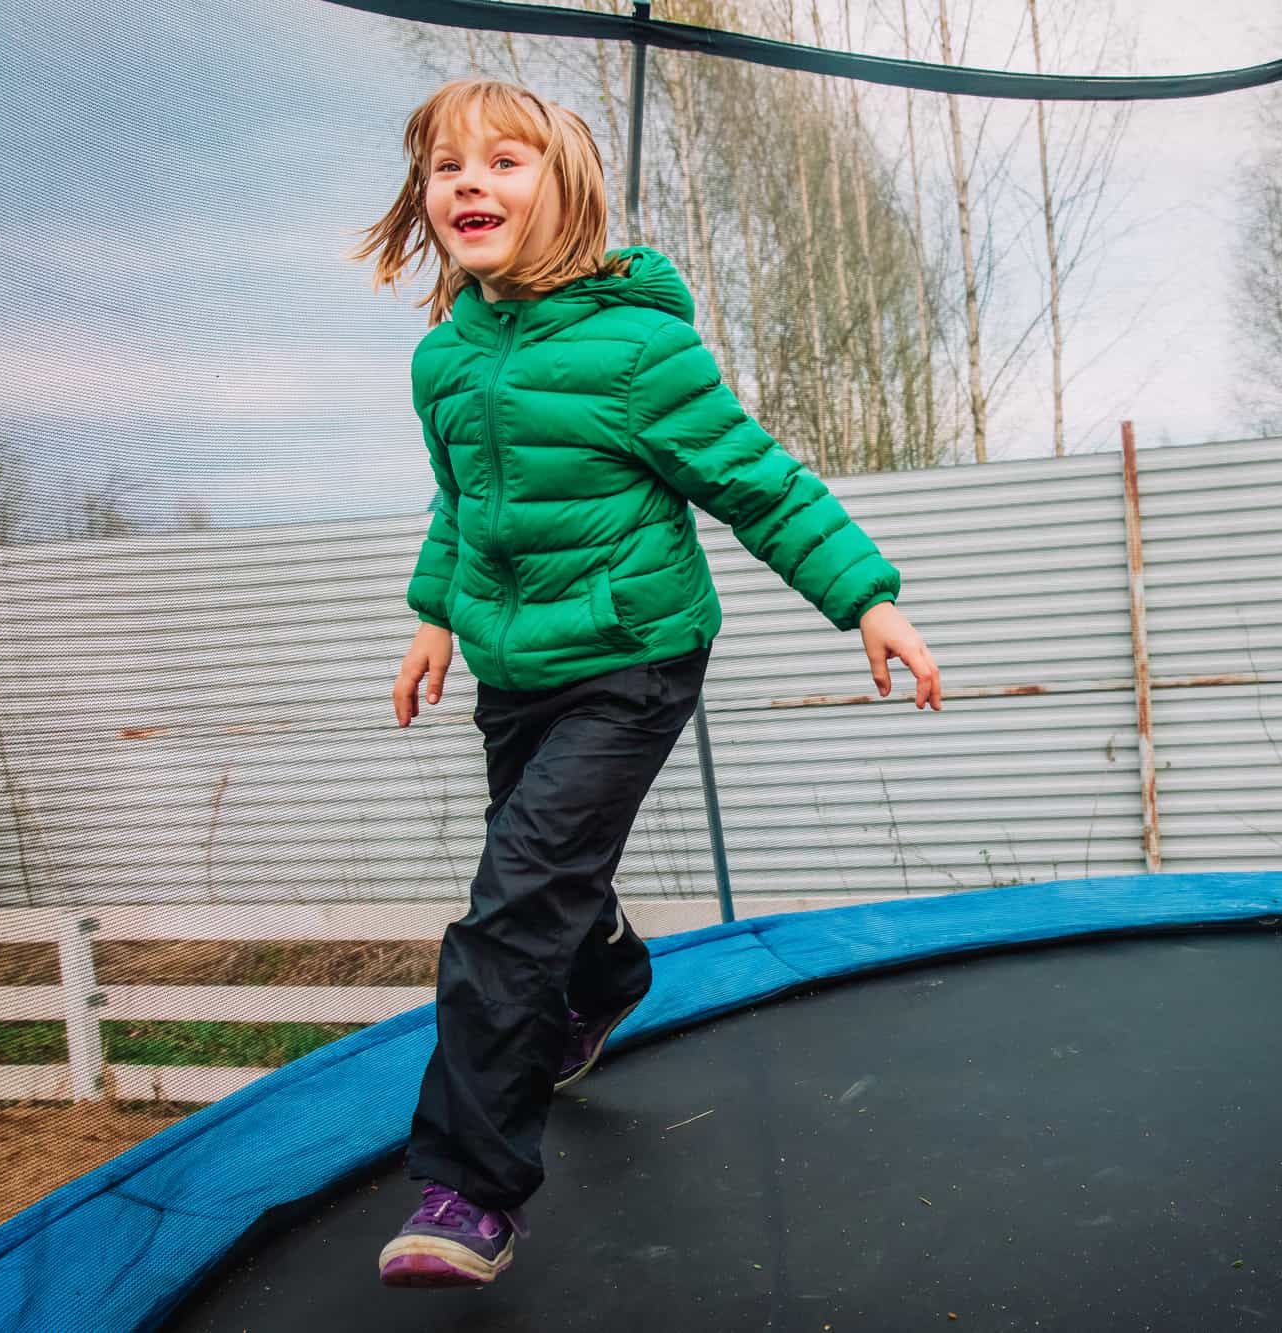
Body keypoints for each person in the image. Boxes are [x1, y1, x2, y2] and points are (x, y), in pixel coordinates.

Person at [351, 77, 943, 1288]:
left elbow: (755, 481)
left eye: (503, 162)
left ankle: (468, 1188)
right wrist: (431, 620)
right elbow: (463, 503)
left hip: (632, 657)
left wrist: (864, 596)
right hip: (517, 663)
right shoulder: (442, 362)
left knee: (509, 907)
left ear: (562, 193)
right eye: (448, 167)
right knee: (544, 876)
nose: (471, 183)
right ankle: (611, 968)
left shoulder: (638, 350)